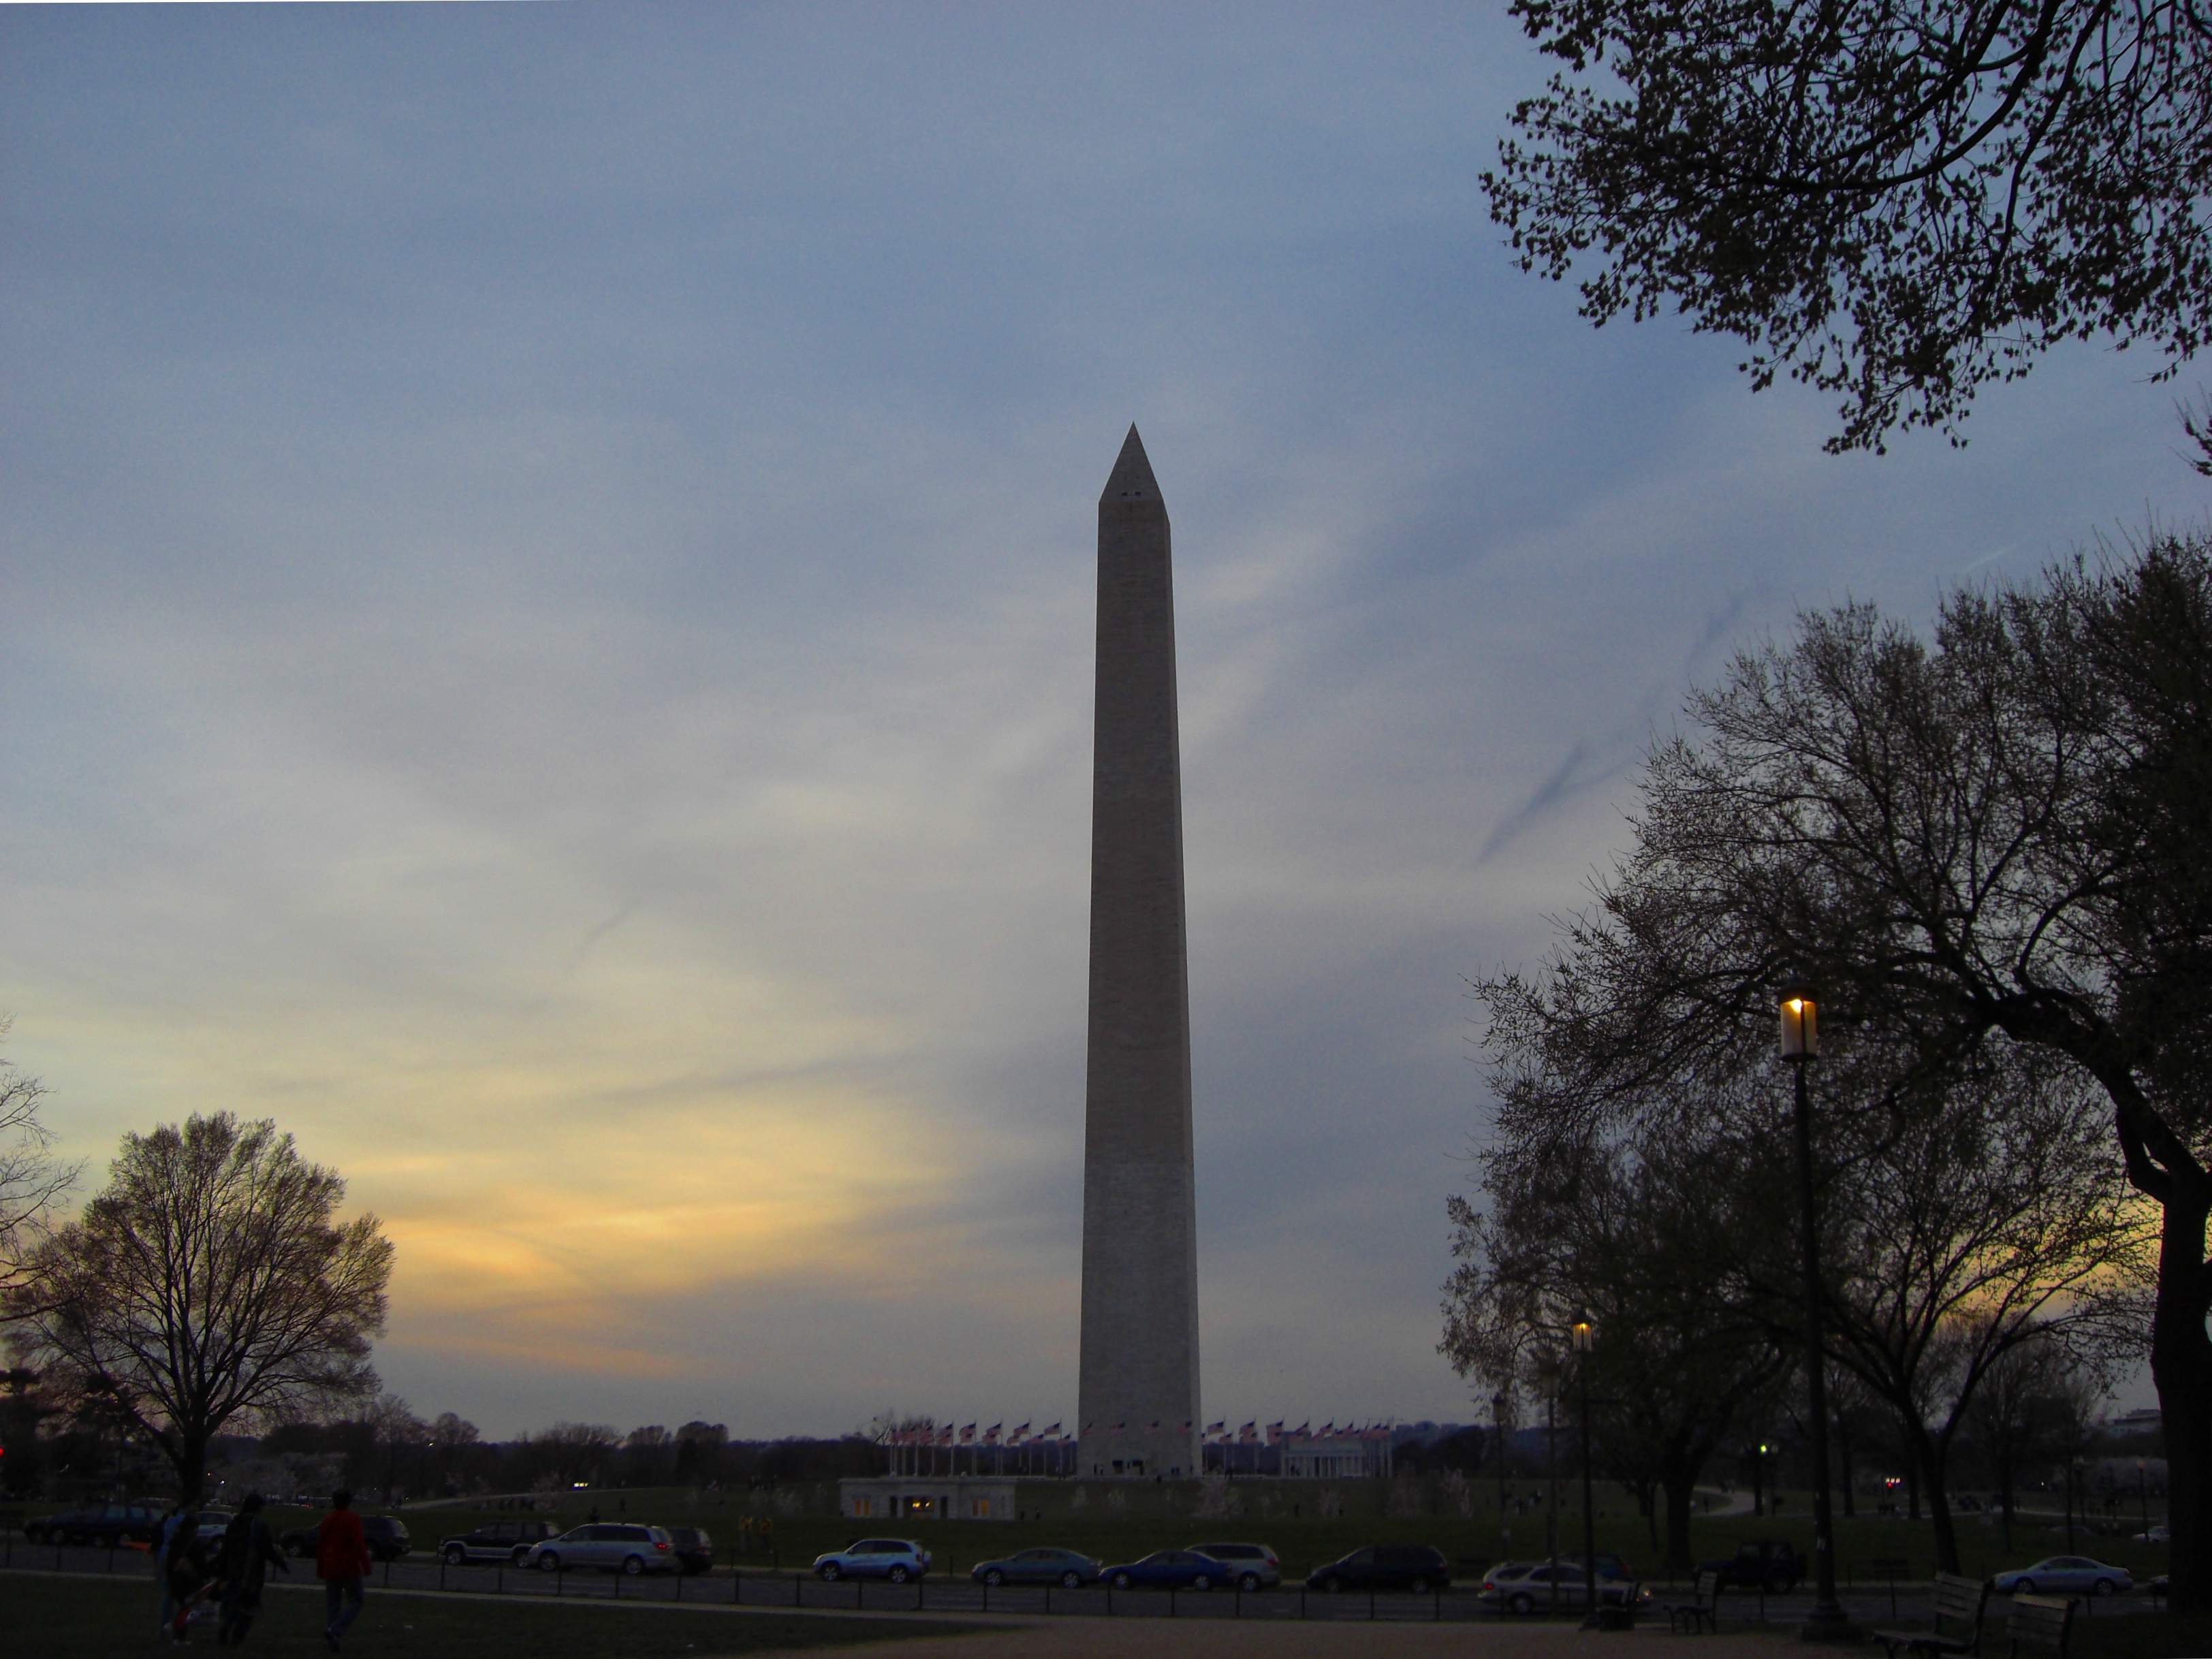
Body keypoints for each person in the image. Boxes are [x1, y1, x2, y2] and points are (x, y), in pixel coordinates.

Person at [215, 1493, 288, 1647]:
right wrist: (281, 1563)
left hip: (233, 1570)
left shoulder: (235, 1523)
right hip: (251, 1572)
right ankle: (237, 1638)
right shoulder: (258, 1526)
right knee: (249, 1608)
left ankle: (226, 1626)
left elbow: (226, 1548)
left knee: (235, 1602)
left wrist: (221, 1568)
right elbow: (267, 1549)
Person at [315, 1489, 372, 1652]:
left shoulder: (328, 1520)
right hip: (349, 1567)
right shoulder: (353, 1519)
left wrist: (321, 1568)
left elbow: (321, 1546)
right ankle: (336, 1630)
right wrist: (366, 1566)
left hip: (331, 1566)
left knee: (333, 1605)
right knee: (357, 1600)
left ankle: (332, 1635)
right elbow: (358, 1544)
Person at [161, 1506, 212, 1645]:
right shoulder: (193, 1544)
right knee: (188, 1607)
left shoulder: (175, 1541)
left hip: (175, 1579)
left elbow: (170, 1563)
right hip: (189, 1580)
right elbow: (200, 1564)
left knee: (186, 1607)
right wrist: (205, 1575)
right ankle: (177, 1633)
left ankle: (176, 1632)